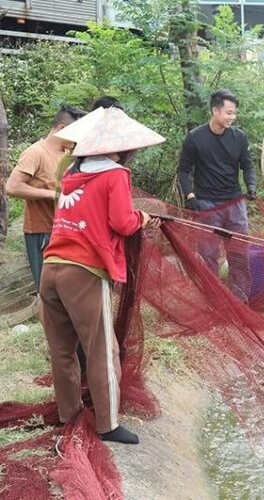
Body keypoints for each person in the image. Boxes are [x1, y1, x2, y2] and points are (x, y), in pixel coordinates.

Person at [39, 106, 164, 444]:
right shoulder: (115, 175)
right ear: (122, 147)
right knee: (101, 350)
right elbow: (122, 223)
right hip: (85, 271)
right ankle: (108, 425)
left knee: (62, 349)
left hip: (51, 268)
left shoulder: (72, 174)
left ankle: (69, 414)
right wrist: (142, 218)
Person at [177, 90, 256, 300]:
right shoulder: (196, 138)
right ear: (215, 110)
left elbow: (247, 166)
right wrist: (190, 196)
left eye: (234, 113)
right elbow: (183, 170)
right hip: (207, 205)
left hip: (234, 203)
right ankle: (211, 299)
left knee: (239, 250)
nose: (231, 117)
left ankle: (240, 298)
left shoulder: (239, 137)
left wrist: (251, 185)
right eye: (228, 113)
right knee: (208, 254)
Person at [5, 105, 86, 292]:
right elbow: (12, 186)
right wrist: (52, 195)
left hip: (64, 229)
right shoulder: (36, 152)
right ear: (61, 129)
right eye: (77, 134)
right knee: (48, 292)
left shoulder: (68, 156)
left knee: (65, 292)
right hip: (42, 232)